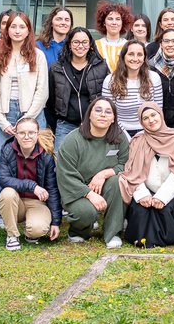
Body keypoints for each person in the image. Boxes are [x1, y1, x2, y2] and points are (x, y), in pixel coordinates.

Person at [120, 102, 174, 248]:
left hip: (171, 191)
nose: (151, 120)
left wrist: (161, 197)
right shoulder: (138, 140)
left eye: (153, 115)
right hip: (145, 189)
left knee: (166, 209)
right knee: (141, 211)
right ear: (141, 122)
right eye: (145, 118)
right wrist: (143, 194)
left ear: (160, 115)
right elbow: (132, 172)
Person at [55, 97, 129, 248]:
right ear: (89, 115)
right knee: (86, 212)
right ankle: (78, 231)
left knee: (117, 181)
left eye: (108, 112)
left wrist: (105, 173)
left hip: (106, 185)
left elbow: (127, 165)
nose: (103, 114)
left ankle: (112, 233)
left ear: (113, 118)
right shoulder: (73, 140)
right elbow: (65, 173)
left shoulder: (119, 138)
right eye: (98, 110)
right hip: (78, 190)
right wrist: (89, 193)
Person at [0, 11, 50, 166]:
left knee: (35, 163)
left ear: (28, 30)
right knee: (4, 164)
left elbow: (42, 91)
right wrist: (3, 122)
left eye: (22, 27)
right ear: (7, 30)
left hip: (32, 113)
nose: (17, 31)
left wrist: (27, 118)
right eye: (13, 26)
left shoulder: (38, 56)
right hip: (5, 114)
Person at [0, 116, 62, 250]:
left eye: (31, 133)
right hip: (15, 201)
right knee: (7, 193)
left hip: (37, 202)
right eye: (22, 133)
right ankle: (12, 235)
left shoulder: (46, 155)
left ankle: (30, 230)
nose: (26, 137)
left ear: (37, 134)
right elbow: (2, 178)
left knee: (37, 230)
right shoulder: (8, 149)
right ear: (16, 134)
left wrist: (56, 222)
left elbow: (52, 189)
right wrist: (32, 186)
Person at [49, 27, 110, 145]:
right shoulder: (57, 68)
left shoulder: (100, 66)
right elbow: (51, 99)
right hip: (65, 125)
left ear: (90, 45)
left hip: (94, 125)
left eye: (84, 42)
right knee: (61, 161)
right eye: (76, 42)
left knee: (92, 162)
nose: (80, 46)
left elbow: (106, 96)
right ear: (69, 45)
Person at [102, 40, 162, 137]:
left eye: (139, 55)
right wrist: (127, 138)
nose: (135, 58)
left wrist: (145, 135)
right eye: (131, 54)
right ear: (123, 56)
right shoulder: (110, 80)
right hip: (119, 132)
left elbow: (158, 111)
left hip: (149, 132)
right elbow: (110, 113)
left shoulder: (154, 78)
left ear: (144, 58)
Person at [150, 28, 174, 131]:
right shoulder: (151, 67)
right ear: (161, 44)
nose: (170, 44)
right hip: (157, 123)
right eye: (166, 41)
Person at [94, 1, 133, 73]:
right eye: (110, 19)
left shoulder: (129, 45)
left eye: (118, 19)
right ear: (104, 23)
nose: (114, 23)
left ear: (122, 22)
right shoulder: (95, 45)